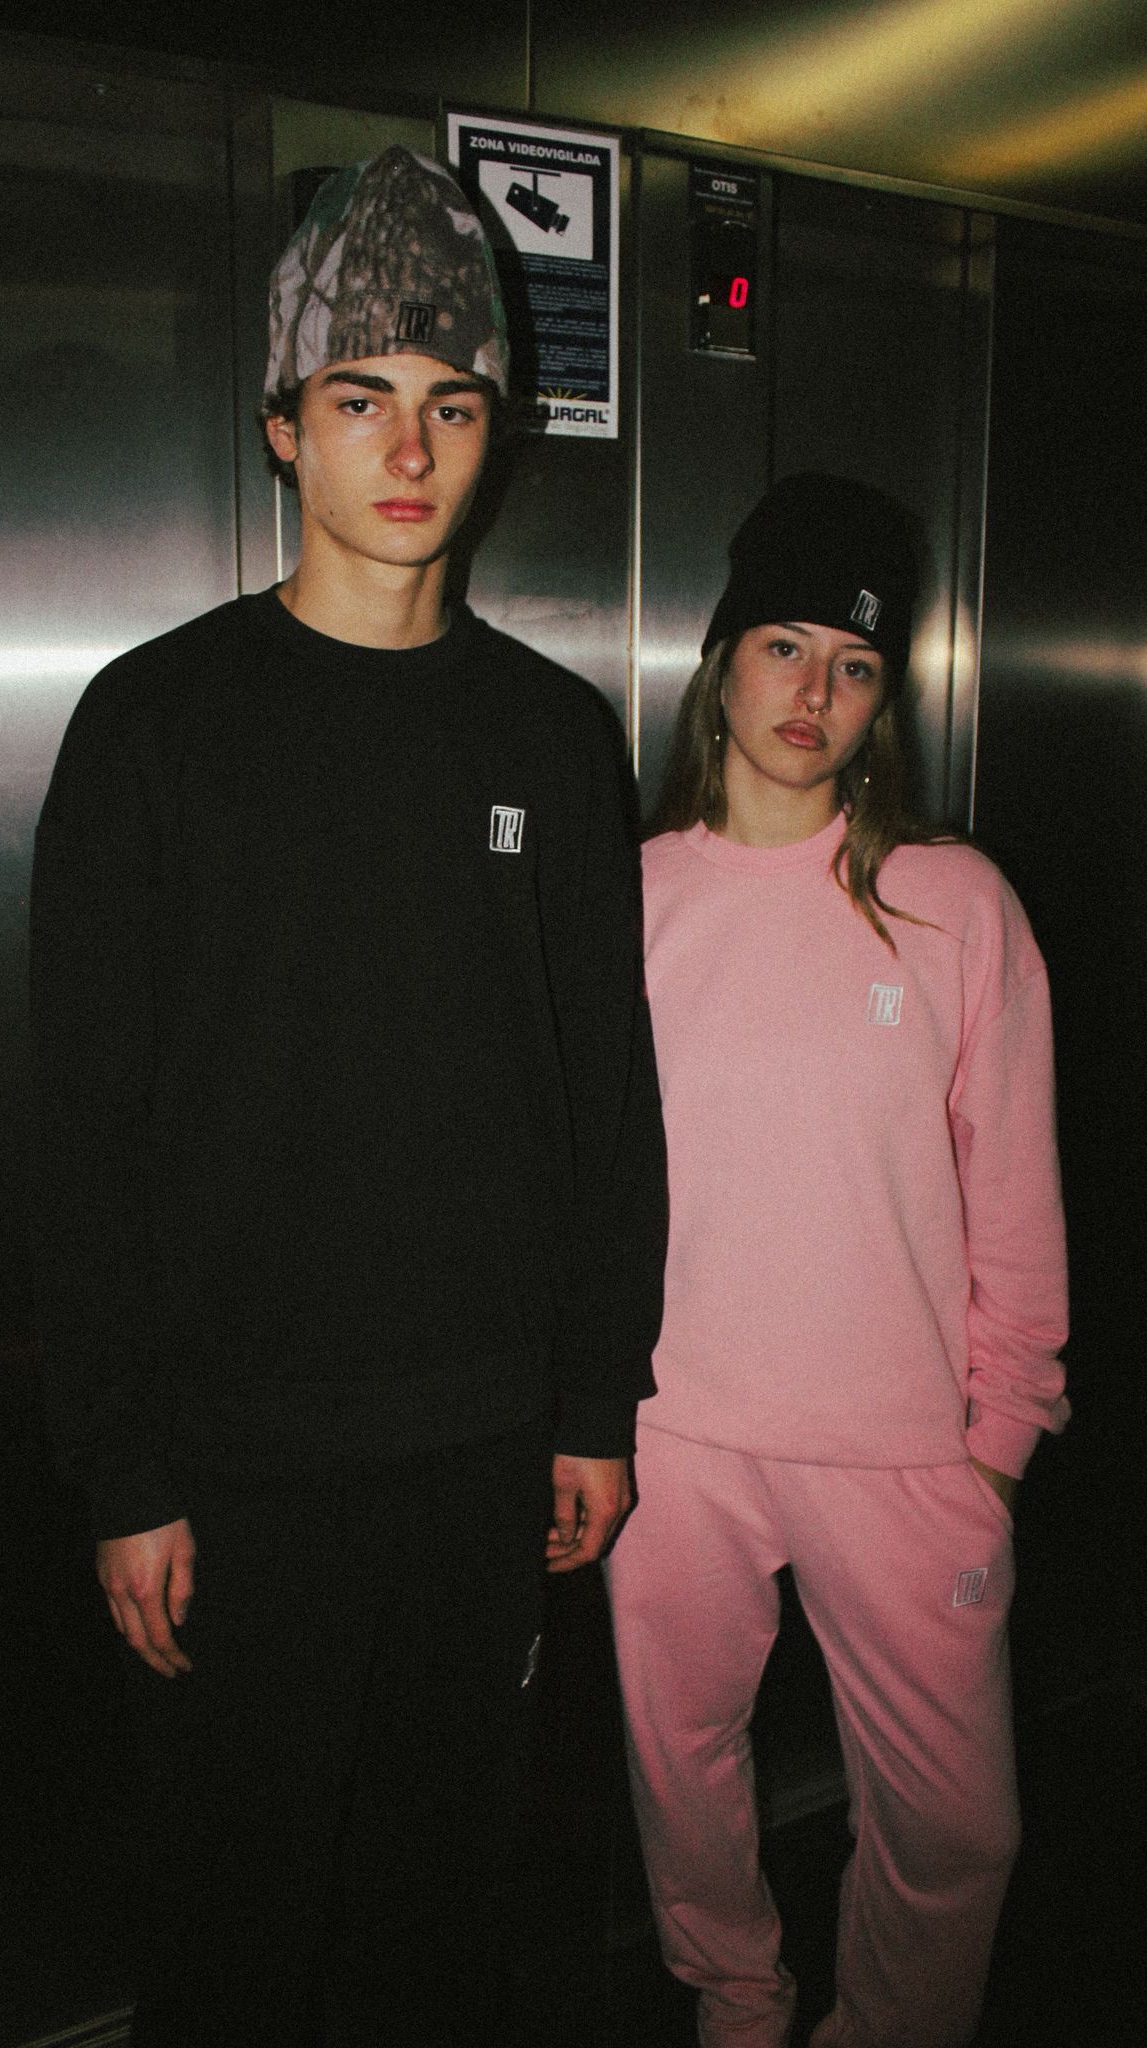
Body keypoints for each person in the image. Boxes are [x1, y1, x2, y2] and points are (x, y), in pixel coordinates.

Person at [29, 145, 667, 2047]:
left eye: (451, 402)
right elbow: (85, 1121)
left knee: (433, 1921)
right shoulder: (153, 723)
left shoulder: (550, 735)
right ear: (281, 427)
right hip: (239, 1468)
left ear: (495, 434)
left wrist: (594, 1399)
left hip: (483, 1458)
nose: (408, 446)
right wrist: (123, 1468)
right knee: (234, 1933)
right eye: (360, 396)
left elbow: (603, 1095)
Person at [606, 472, 1069, 2048]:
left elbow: (1012, 1199)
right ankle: (736, 2005)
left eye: (855, 665)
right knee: (683, 1771)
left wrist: (997, 1445)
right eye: (784, 647)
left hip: (905, 1449)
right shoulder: (629, 898)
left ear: (884, 702)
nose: (812, 693)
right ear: (722, 661)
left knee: (961, 1831)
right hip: (676, 1436)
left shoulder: (953, 905)